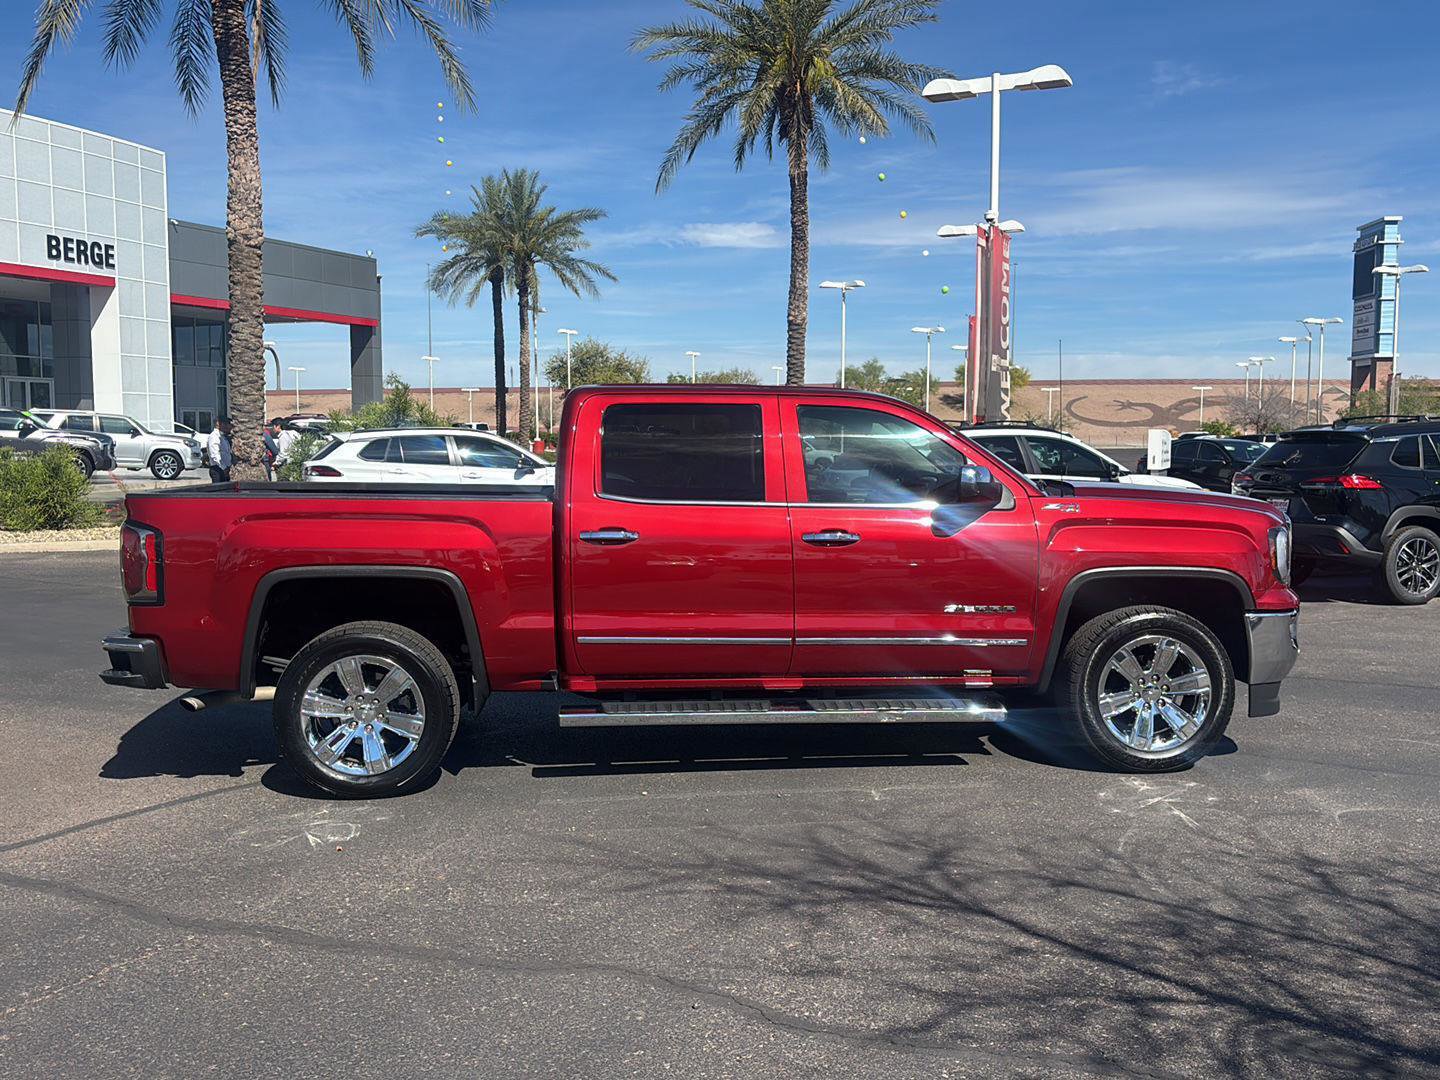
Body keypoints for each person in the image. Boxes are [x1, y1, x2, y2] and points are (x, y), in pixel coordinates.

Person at [207, 416, 233, 482]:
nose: (230, 427)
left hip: (225, 469)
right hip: (218, 469)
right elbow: (214, 454)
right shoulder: (214, 436)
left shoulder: (223, 437)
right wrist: (223, 468)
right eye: (227, 424)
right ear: (219, 424)